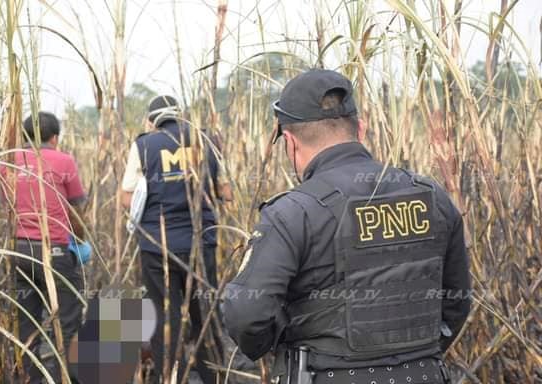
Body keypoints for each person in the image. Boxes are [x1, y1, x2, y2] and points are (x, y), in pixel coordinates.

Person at [222, 69, 471, 384]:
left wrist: (278, 347)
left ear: (290, 142)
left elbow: (247, 316)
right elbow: (457, 301)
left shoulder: (291, 213)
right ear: (361, 130)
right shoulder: (432, 196)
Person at [120, 95, 232, 383]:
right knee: (205, 314)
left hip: (158, 247)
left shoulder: (144, 144)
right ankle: (214, 377)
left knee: (164, 318)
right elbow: (226, 193)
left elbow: (125, 197)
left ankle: (171, 376)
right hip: (201, 245)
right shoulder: (208, 140)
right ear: (180, 116)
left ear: (152, 120)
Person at [0, 111, 89, 383]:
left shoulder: (8, 163)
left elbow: (7, 206)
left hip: (19, 251)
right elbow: (75, 208)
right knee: (68, 322)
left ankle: (31, 379)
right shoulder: (64, 160)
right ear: (55, 138)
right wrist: (81, 241)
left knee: (27, 323)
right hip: (55, 252)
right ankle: (68, 378)